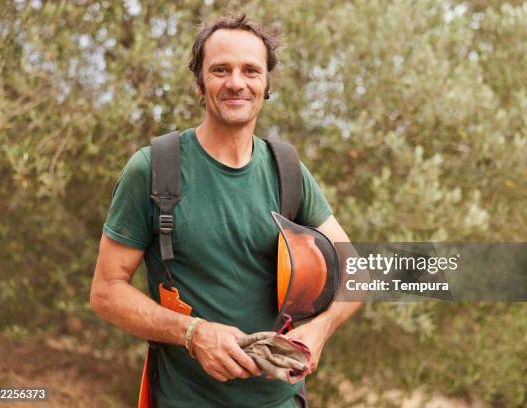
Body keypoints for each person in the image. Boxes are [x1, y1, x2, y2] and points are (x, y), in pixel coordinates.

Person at [90, 14, 361, 408]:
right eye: (221, 70)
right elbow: (106, 292)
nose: (236, 82)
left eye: (250, 70)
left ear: (266, 84)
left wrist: (319, 330)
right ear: (199, 84)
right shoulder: (154, 169)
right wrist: (193, 333)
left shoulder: (289, 172)